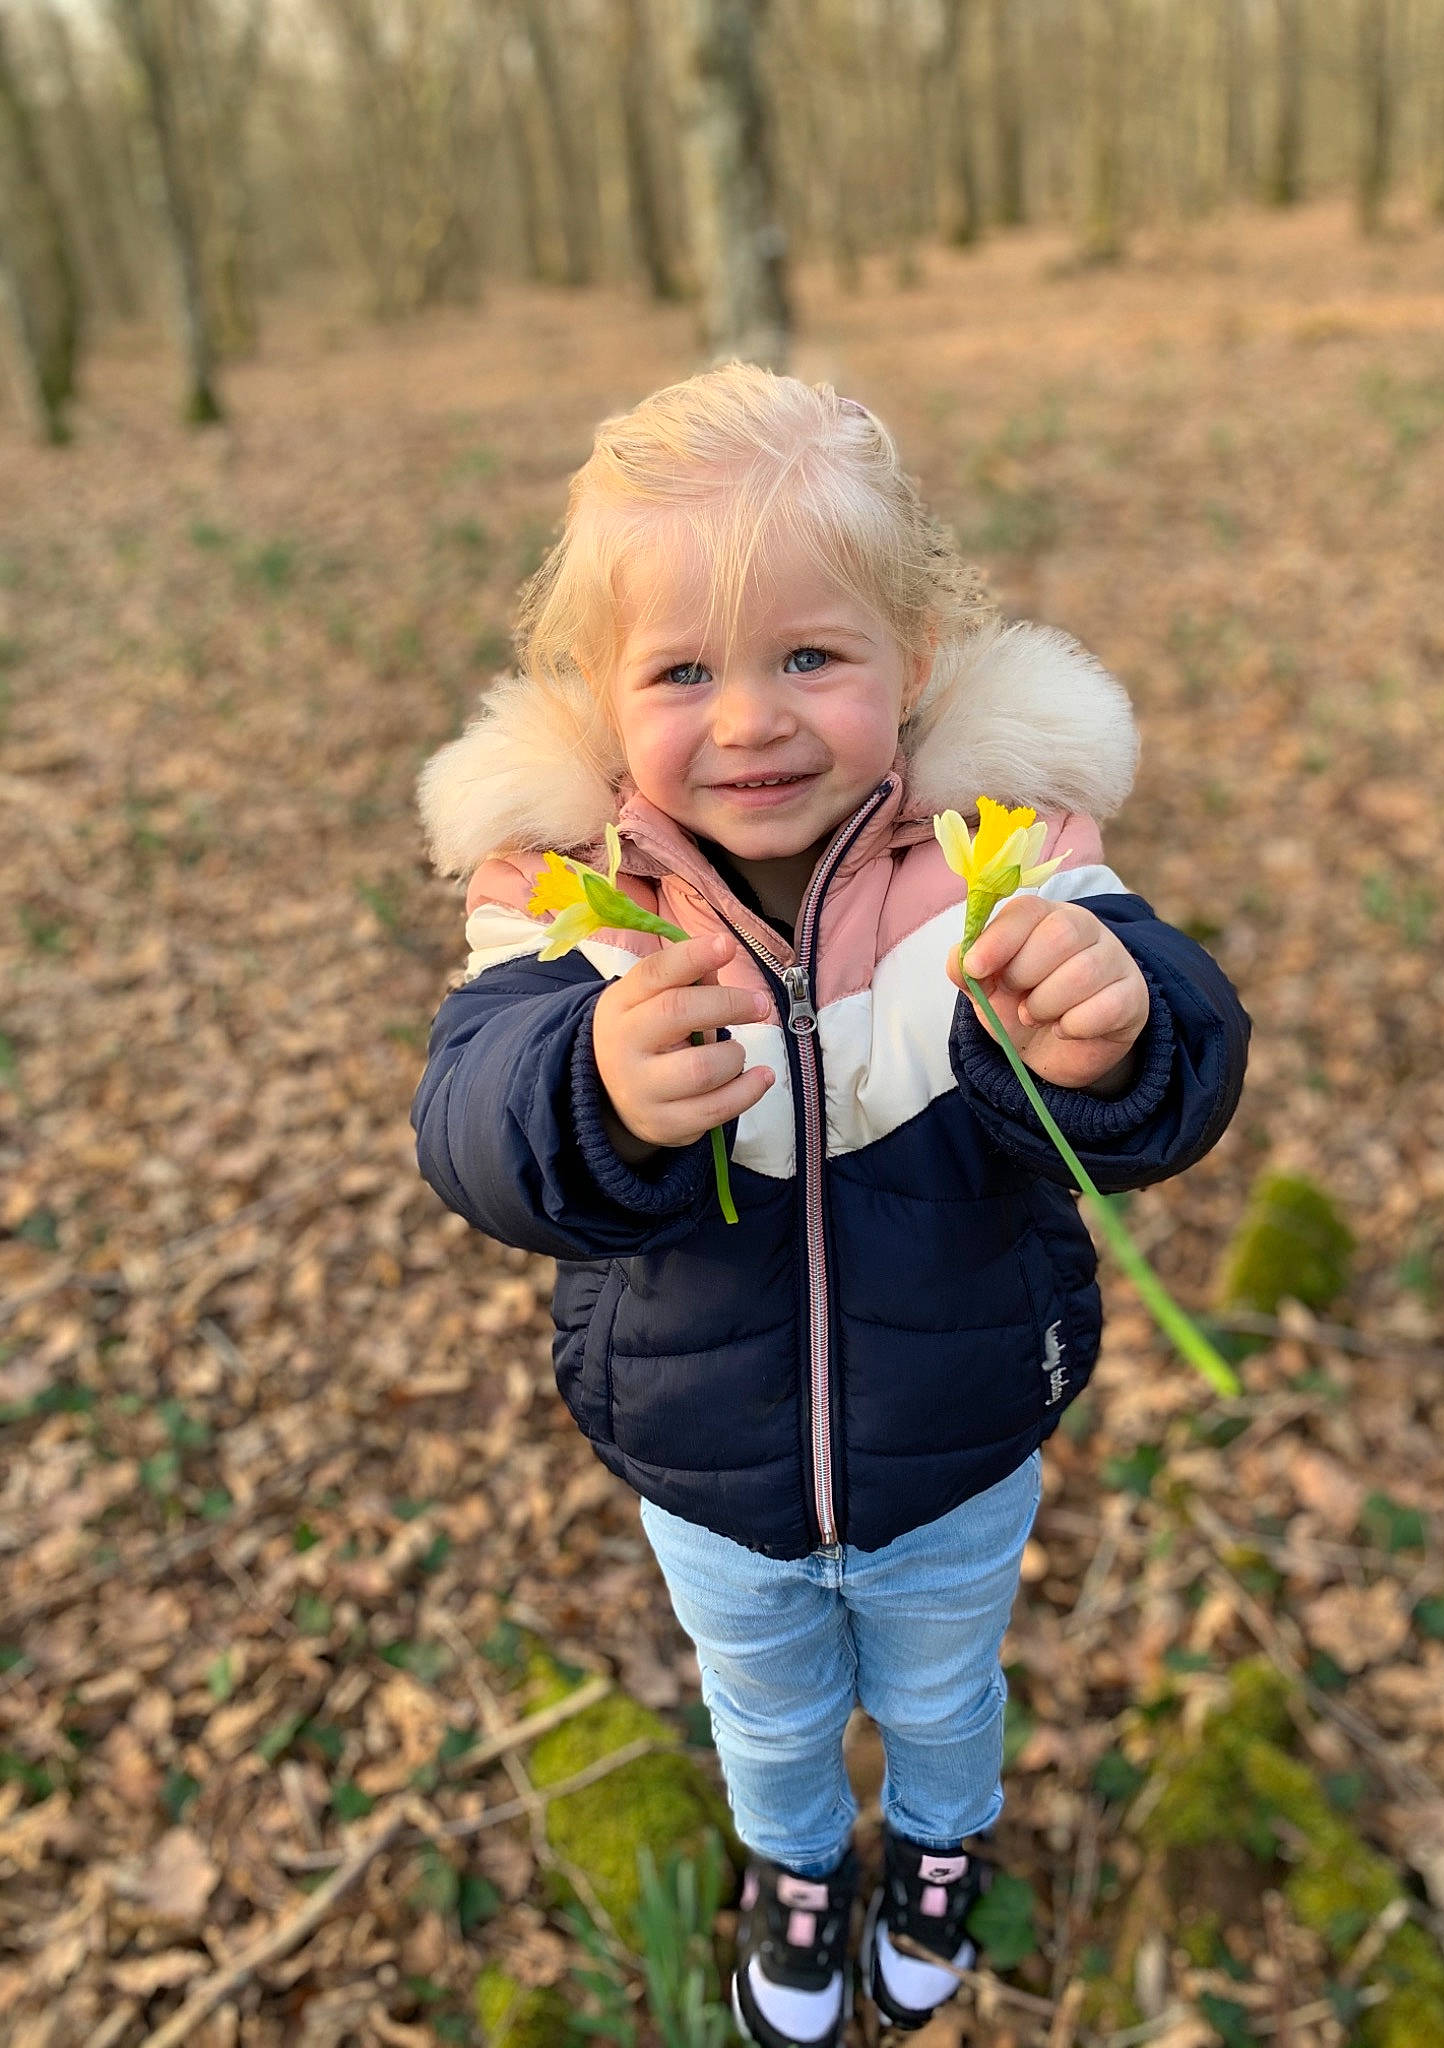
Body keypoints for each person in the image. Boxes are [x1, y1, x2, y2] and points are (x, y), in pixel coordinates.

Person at [411, 363, 1249, 2047]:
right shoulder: (573, 894)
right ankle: (795, 1872)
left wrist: (1111, 1028)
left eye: (808, 657)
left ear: (911, 657)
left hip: (958, 1440)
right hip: (705, 1463)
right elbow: (468, 1116)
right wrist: (589, 1087)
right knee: (768, 1713)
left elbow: (1177, 1033)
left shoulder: (998, 851)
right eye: (682, 672)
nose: (749, 723)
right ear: (600, 694)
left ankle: (939, 1847)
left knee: (943, 1691)